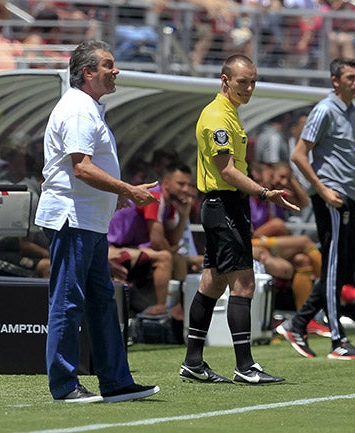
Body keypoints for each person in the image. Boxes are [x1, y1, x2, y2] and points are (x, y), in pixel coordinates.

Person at [34, 40, 160, 403]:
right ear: (88, 72)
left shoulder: (88, 107)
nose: (115, 70)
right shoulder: (77, 108)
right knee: (68, 301)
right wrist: (128, 189)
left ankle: (116, 381)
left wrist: (115, 193)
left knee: (102, 301)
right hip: (72, 218)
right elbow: (81, 167)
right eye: (108, 64)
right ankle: (64, 385)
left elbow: (86, 169)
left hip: (88, 219)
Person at [179, 54, 297, 385]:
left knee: (212, 282)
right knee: (244, 284)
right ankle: (245, 367)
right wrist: (264, 192)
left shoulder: (229, 113)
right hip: (224, 205)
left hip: (222, 206)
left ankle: (192, 361)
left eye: (252, 82)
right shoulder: (218, 116)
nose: (248, 88)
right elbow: (227, 171)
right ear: (225, 80)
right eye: (242, 82)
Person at [277, 58, 355, 360]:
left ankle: (298, 323)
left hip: (352, 197)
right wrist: (323, 188)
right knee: (332, 265)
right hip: (332, 197)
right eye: (351, 77)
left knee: (341, 268)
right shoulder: (324, 110)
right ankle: (337, 339)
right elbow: (299, 155)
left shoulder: (354, 110)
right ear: (335, 81)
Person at [107, 162, 194, 315]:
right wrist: (172, 250)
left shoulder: (170, 205)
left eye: (188, 185)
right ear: (166, 183)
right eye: (181, 184)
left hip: (132, 249)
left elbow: (173, 240)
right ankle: (162, 310)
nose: (186, 189)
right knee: (165, 257)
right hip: (111, 248)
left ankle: (179, 307)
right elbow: (157, 241)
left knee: (179, 259)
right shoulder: (154, 197)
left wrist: (184, 215)